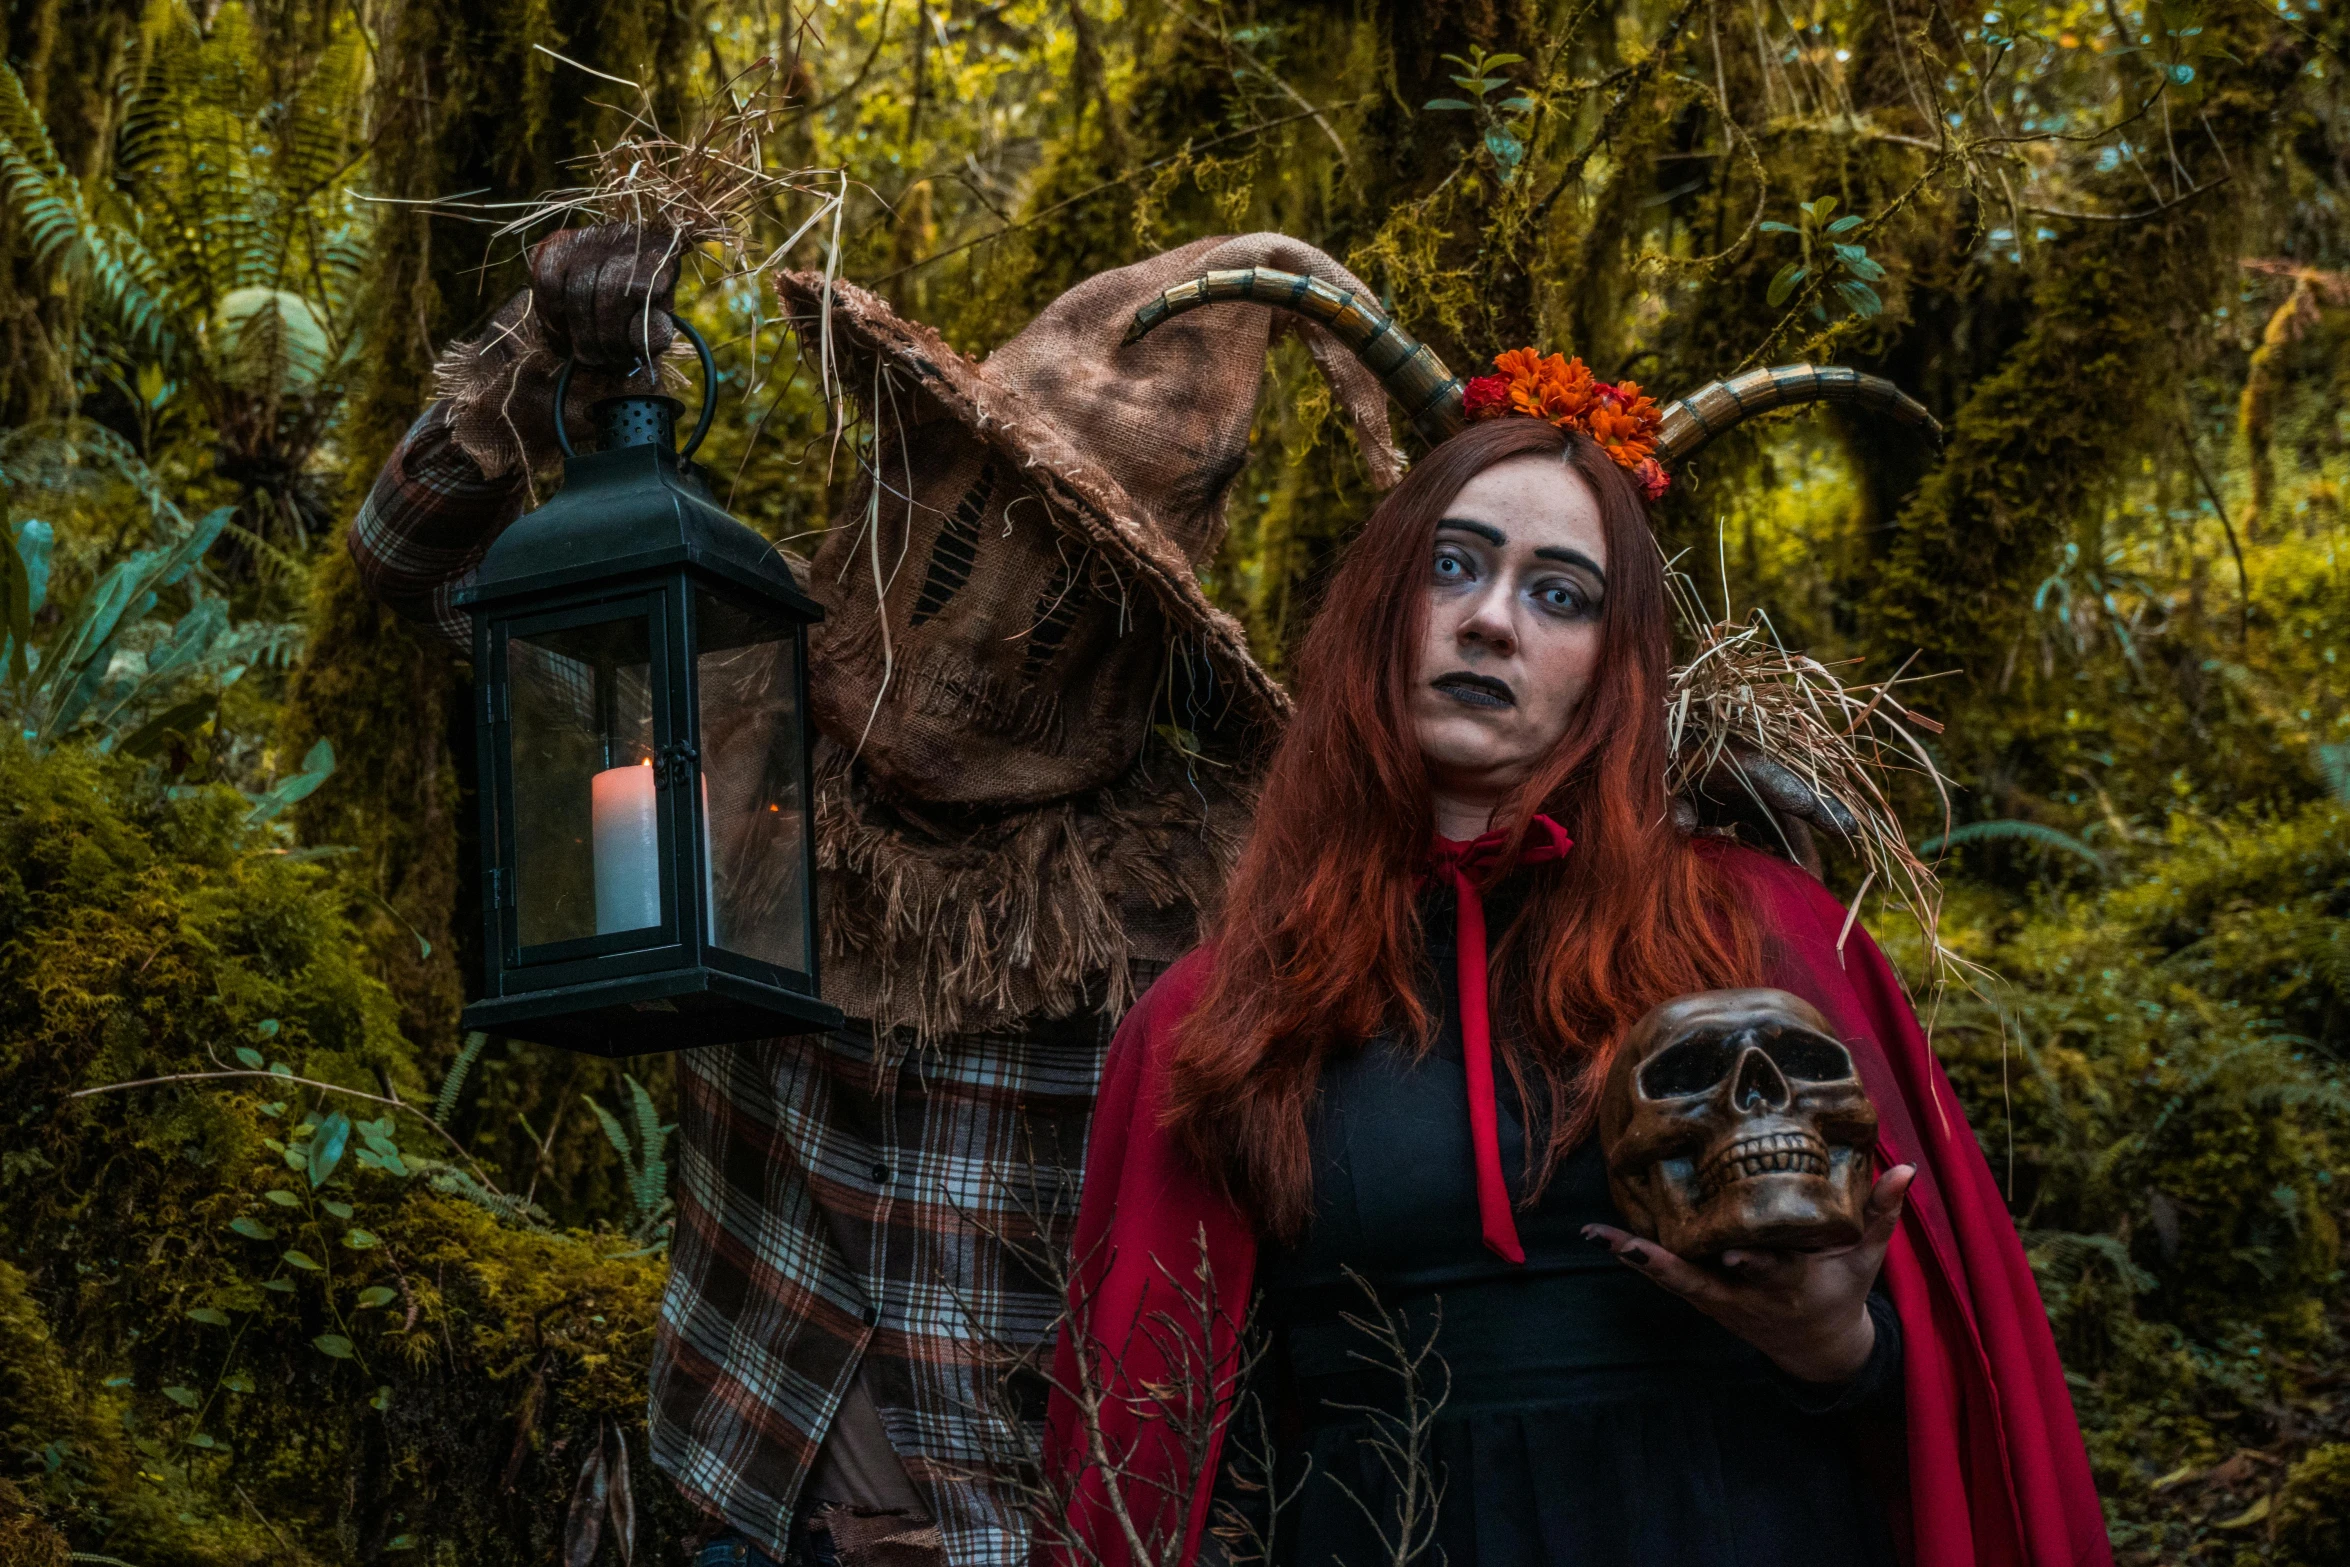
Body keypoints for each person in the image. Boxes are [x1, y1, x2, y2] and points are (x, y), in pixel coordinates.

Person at [346, 222, 1433, 1567]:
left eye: (1070, 593)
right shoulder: (726, 721)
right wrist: (555, 362)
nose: (993, 623)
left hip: (1036, 1531)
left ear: (1142, 635)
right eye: (972, 533)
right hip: (750, 1487)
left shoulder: (1198, 878)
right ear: (907, 485)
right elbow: (421, 565)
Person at [1045, 355, 2114, 1567]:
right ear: (1379, 603)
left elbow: (1953, 1410)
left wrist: (1835, 1348)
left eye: (1561, 594)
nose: (1491, 618)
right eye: (1452, 565)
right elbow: (1156, 1444)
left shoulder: (1757, 930)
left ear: (1617, 666)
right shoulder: (1219, 1007)